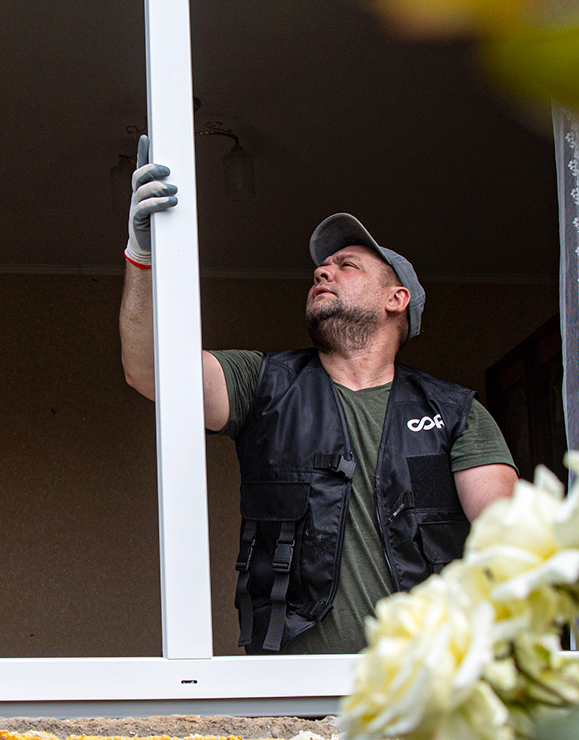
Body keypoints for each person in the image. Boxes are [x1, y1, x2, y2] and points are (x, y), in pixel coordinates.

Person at [117, 140, 518, 654]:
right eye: (321, 268)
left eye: (347, 265)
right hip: (290, 693)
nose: (322, 272)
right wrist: (143, 257)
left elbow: (507, 543)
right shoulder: (262, 383)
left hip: (424, 691)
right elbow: (150, 373)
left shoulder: (456, 412)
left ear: (397, 300)